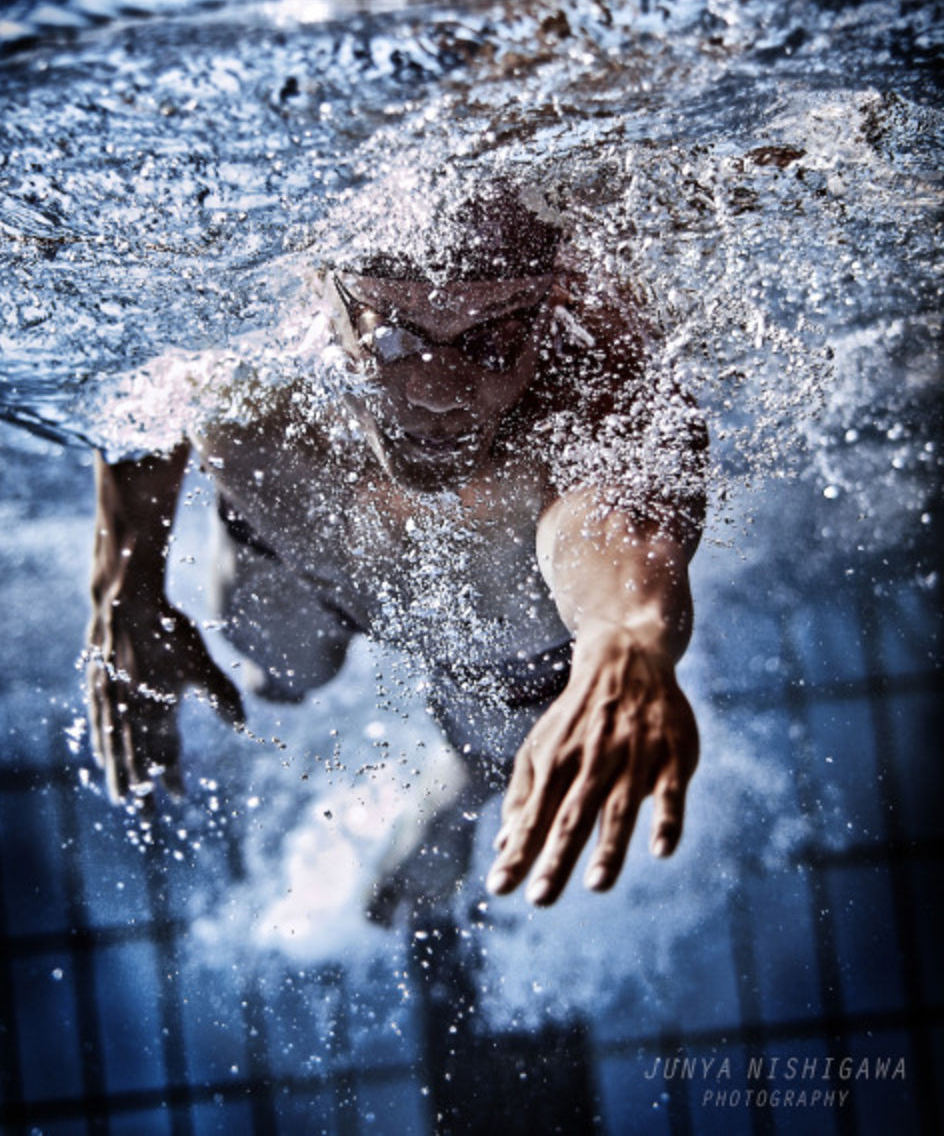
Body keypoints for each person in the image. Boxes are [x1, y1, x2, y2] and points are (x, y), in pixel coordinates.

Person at [86, 178, 706, 912]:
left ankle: (462, 794)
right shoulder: (240, 340)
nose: (439, 390)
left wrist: (624, 636)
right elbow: (143, 395)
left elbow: (617, 512)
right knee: (272, 671)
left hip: (495, 640)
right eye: (394, 336)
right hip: (295, 557)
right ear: (324, 296)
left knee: (501, 744)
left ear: (553, 307)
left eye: (494, 337)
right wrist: (126, 586)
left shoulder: (597, 376)